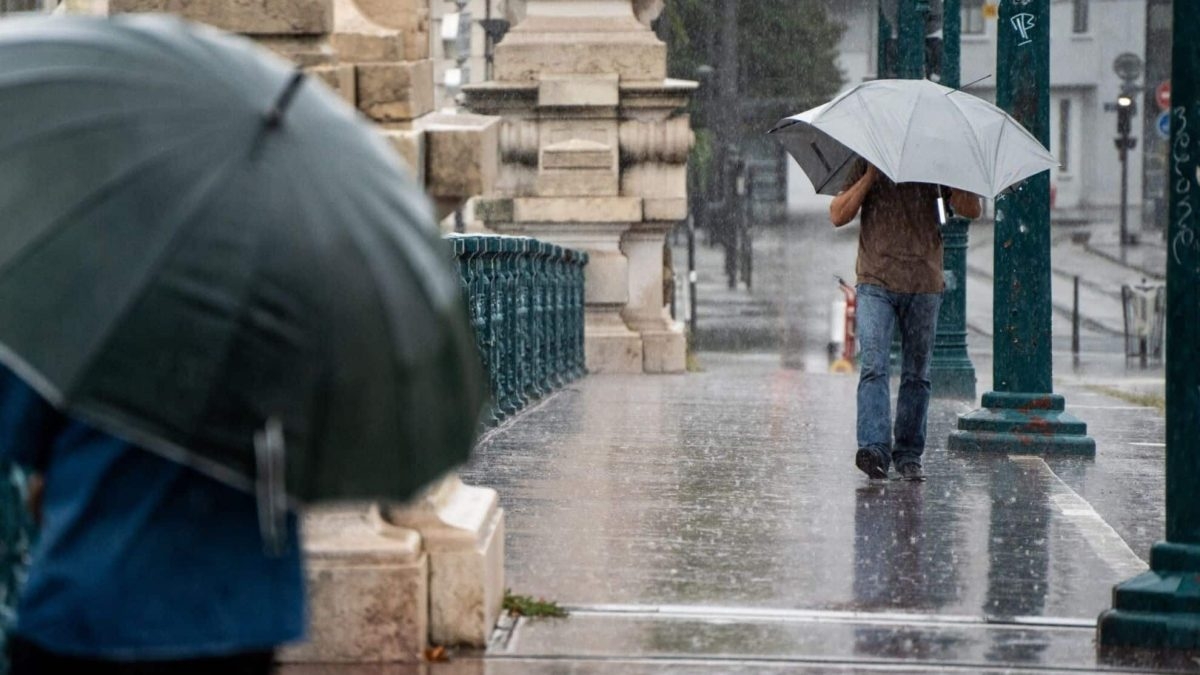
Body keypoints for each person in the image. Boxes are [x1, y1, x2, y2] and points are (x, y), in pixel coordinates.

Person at [0, 364, 304, 675]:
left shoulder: (74, 335)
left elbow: (23, 429)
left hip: (90, 603)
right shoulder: (278, 342)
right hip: (236, 608)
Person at [829, 160, 981, 481]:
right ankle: (874, 448)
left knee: (917, 374)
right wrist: (870, 177)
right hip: (875, 280)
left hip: (923, 282)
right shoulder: (867, 158)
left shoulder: (937, 160)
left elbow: (972, 210)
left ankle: (909, 455)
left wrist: (951, 180)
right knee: (874, 366)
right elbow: (838, 214)